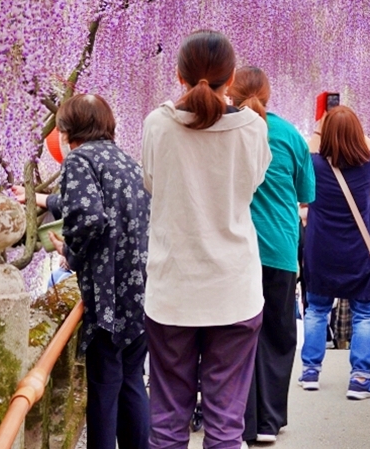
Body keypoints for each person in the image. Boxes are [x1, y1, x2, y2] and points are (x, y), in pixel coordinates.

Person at [141, 31, 272, 449]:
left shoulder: (157, 124)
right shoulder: (252, 127)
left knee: (166, 422)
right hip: (234, 289)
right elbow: (252, 184)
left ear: (179, 75)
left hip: (172, 289)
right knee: (226, 425)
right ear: (231, 77)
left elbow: (150, 182)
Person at [52, 94, 151, 449]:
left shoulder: (79, 159)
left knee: (104, 389)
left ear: (68, 129)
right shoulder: (127, 161)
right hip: (140, 290)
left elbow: (88, 216)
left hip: (107, 294)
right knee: (131, 381)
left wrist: (72, 254)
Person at [228, 67, 316, 445]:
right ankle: (269, 421)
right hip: (278, 247)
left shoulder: (224, 129)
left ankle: (241, 420)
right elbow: (305, 192)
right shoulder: (290, 135)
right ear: (268, 93)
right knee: (278, 334)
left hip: (235, 247)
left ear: (230, 94)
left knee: (235, 337)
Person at [297, 105, 370, 400]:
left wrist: (319, 128)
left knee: (317, 309)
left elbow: (309, 148)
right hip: (358, 250)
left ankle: (310, 371)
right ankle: (360, 378)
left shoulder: (314, 164)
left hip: (321, 247)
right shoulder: (369, 164)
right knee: (366, 312)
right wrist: (355, 129)